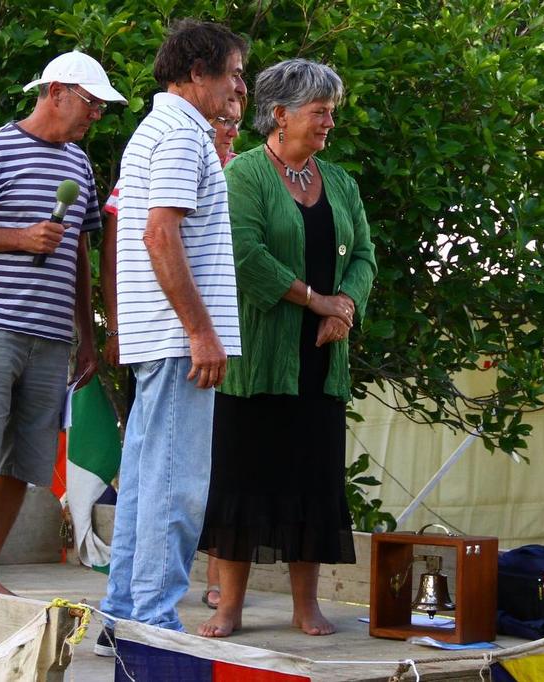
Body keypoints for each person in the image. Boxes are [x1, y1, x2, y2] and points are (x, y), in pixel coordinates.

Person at [0, 51, 126, 594]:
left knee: (23, 463)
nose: (96, 116)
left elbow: (79, 255)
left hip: (53, 336)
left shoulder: (78, 165)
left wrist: (88, 331)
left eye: (102, 108)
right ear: (55, 91)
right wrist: (18, 237)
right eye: (91, 102)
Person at [197, 58, 377, 638]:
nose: (329, 122)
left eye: (330, 111)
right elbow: (243, 256)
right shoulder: (242, 176)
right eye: (319, 111)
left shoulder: (341, 182)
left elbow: (366, 257)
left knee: (314, 482)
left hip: (322, 360)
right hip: (257, 361)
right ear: (280, 114)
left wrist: (344, 306)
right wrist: (314, 301)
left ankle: (307, 607)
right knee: (241, 483)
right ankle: (228, 608)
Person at [95, 19, 247, 654]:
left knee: (149, 477)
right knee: (177, 485)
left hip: (158, 334)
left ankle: (123, 615)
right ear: (196, 74)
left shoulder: (159, 130)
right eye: (234, 72)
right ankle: (154, 626)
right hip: (177, 337)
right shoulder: (182, 135)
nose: (242, 85)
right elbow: (160, 234)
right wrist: (200, 331)